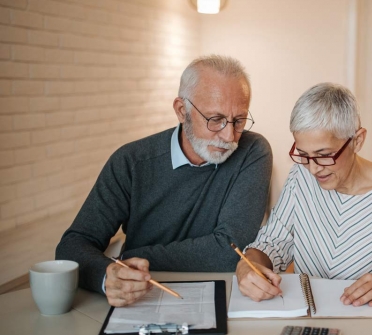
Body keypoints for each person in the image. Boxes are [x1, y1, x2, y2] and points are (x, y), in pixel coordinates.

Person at [56, 55, 273, 307]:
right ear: (182, 111)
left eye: (239, 120)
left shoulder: (252, 151)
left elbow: (230, 251)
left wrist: (132, 256)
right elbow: (72, 246)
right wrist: (108, 275)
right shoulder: (131, 161)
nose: (229, 135)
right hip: (141, 299)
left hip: (225, 297)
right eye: (215, 119)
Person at [236, 83, 372, 307]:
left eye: (324, 155)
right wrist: (248, 263)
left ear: (357, 140)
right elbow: (273, 242)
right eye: (303, 155)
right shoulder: (301, 176)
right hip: (307, 317)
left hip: (368, 320)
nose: (313, 169)